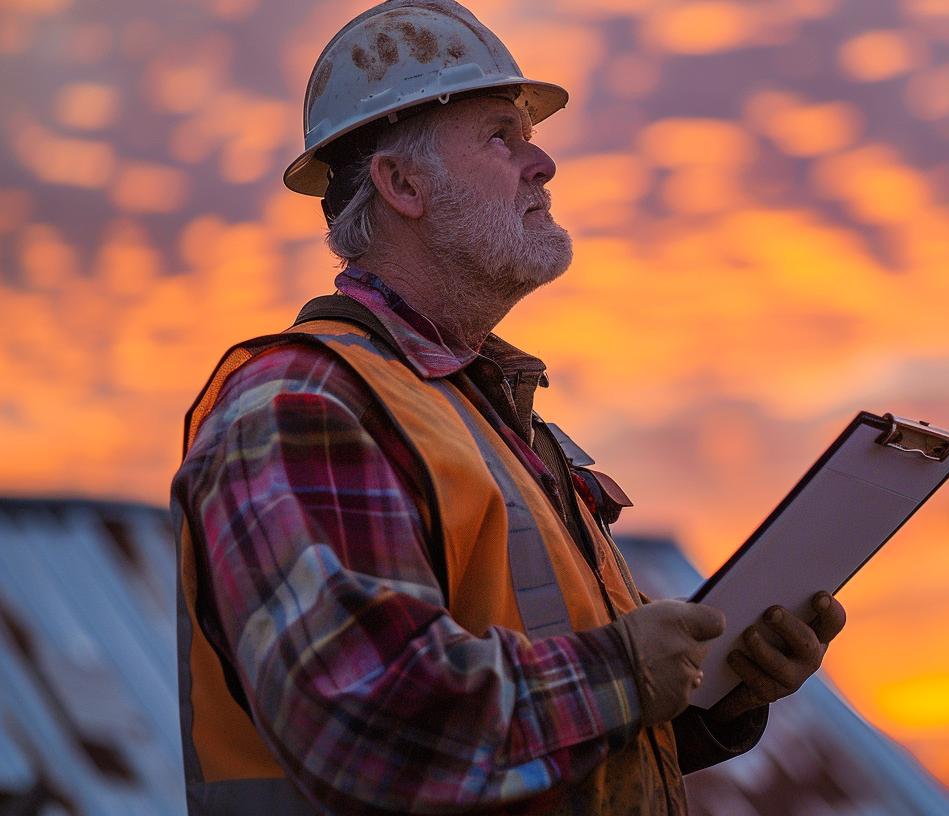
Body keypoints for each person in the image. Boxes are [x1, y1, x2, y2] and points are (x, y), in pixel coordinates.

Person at [169, 1, 848, 814]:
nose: (544, 162)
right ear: (402, 183)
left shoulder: (486, 420)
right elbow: (368, 722)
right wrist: (626, 672)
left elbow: (550, 745)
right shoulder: (302, 402)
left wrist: (718, 689)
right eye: (502, 135)